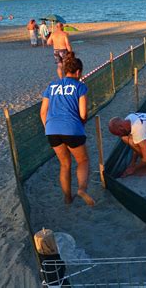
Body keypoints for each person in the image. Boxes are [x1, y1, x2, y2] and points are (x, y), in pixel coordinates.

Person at [40, 52, 95, 206]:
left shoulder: (51, 86)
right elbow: (83, 113)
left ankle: (67, 198)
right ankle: (82, 189)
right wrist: (81, 125)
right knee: (83, 160)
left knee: (65, 164)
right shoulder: (80, 86)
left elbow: (43, 112)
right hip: (71, 128)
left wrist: (48, 127)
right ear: (78, 72)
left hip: (52, 130)